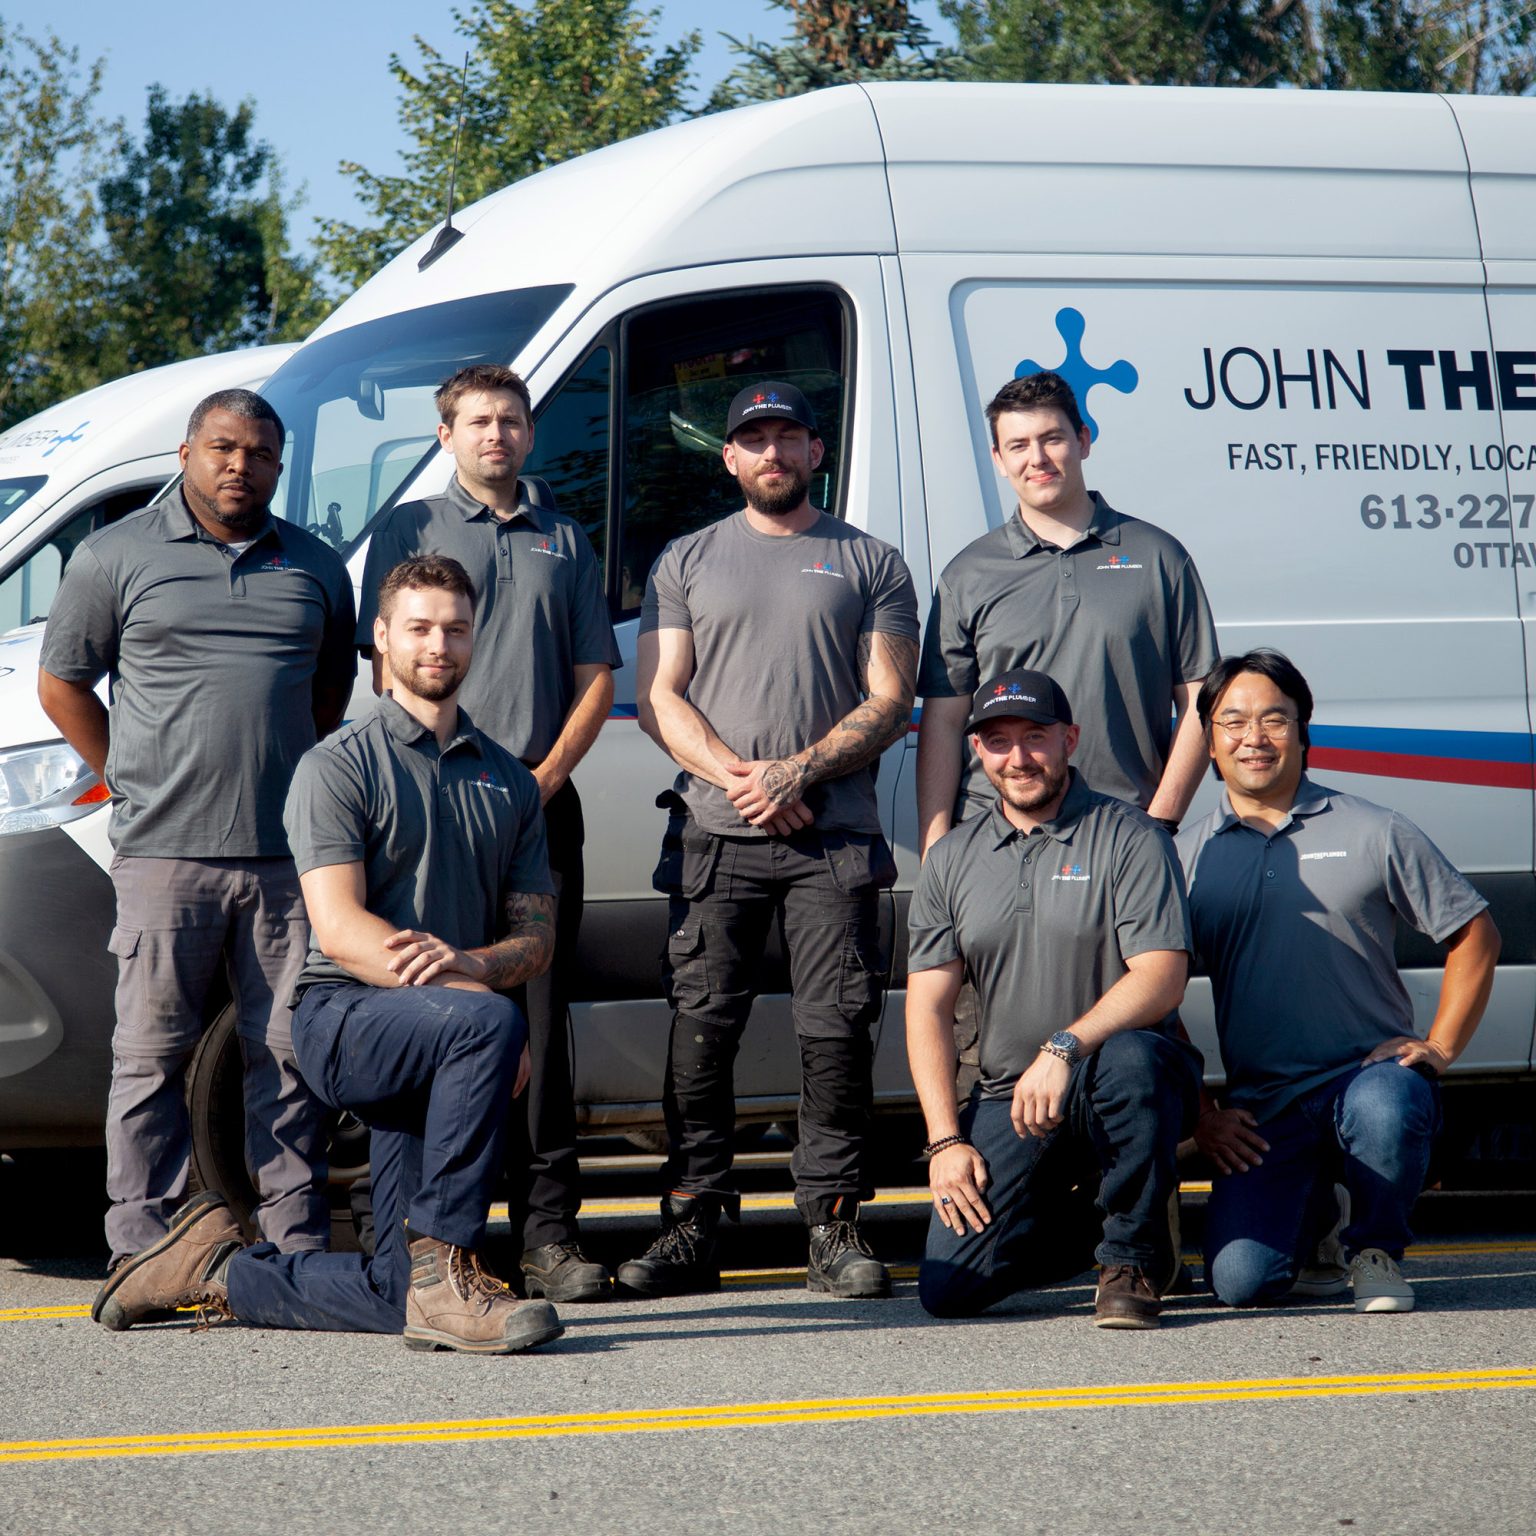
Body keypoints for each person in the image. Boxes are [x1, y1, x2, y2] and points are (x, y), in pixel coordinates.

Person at [91, 555, 565, 1354]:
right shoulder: (337, 766)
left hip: (443, 1030)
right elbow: (341, 930)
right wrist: (482, 1005)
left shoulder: (509, 782)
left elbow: (536, 937)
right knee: (487, 1026)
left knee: (390, 1295)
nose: (438, 645)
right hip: (342, 1018)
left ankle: (214, 1270)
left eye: (454, 629)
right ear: (382, 637)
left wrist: (477, 977)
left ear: (474, 638)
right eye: (418, 628)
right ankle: (449, 1273)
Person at [38, 389, 355, 1274]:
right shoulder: (114, 556)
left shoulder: (317, 567)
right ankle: (142, 1251)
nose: (238, 465)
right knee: (149, 1059)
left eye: (259, 453)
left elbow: (326, 695)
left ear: (279, 466)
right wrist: (129, 772)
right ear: (186, 453)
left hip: (288, 860)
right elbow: (61, 686)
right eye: (222, 447)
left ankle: (294, 1245)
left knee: (288, 1058)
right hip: (162, 855)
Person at [621, 380, 919, 1299]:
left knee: (837, 1027)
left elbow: (890, 699)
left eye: (789, 436)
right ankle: (692, 1224)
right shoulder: (686, 559)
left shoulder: (871, 562)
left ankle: (832, 1224)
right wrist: (748, 782)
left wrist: (800, 772)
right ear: (730, 458)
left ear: (816, 452)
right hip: (717, 837)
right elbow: (659, 697)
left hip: (835, 840)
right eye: (755, 439)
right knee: (701, 1026)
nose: (773, 452)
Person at [357, 363, 620, 1304]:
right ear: (447, 435)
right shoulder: (408, 529)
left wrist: (538, 782)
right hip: (430, 805)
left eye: (511, 420)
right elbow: (386, 668)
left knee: (539, 1024)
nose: (496, 435)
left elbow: (597, 676)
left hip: (538, 806)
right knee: (436, 1006)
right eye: (478, 421)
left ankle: (547, 1237)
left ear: (529, 432)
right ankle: (433, 1235)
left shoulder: (564, 535)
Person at [1177, 650, 1500, 1313]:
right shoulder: (1187, 857)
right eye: (1232, 721)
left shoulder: (1373, 828)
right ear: (1208, 741)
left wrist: (1439, 1047)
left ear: (1303, 732)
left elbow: (1476, 934)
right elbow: (1150, 990)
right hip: (1264, 1107)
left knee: (1387, 1106)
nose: (1253, 737)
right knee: (1241, 1284)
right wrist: (1204, 1115)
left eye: (1274, 719)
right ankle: (1320, 1219)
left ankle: (1376, 1249)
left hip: (1367, 1078)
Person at [908, 668, 1202, 1328]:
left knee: (1132, 1060)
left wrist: (1065, 1047)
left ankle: (1130, 1259)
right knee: (949, 1288)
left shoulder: (1132, 837)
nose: (1018, 758)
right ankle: (1130, 1207)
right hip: (1010, 1097)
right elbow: (927, 1007)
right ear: (977, 751)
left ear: (1069, 739)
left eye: (1035, 737)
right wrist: (944, 1141)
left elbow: (1161, 977)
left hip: (1118, 1077)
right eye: (998, 741)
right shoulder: (951, 859)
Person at [915, 370, 1218, 852]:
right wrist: (937, 848)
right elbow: (945, 721)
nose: (1036, 458)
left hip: (1121, 831)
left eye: (1052, 439)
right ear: (998, 459)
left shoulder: (1160, 557)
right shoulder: (967, 575)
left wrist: (1159, 823)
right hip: (995, 839)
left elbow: (1201, 702)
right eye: (1018, 445)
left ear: (1083, 441)